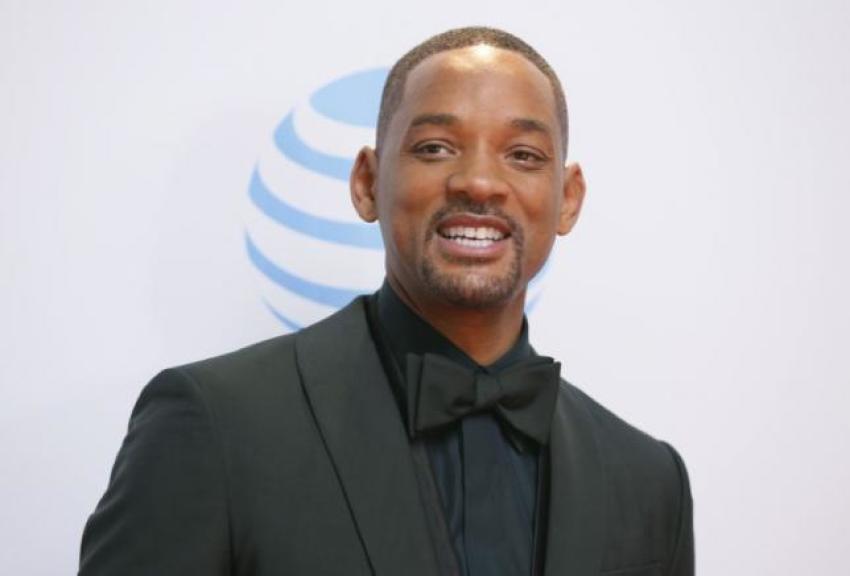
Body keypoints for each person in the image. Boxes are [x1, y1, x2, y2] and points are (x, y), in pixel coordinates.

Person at [79, 26, 694, 576]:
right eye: (434, 147)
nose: (479, 182)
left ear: (568, 198)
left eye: (523, 155)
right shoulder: (212, 425)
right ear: (367, 182)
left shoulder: (648, 479)